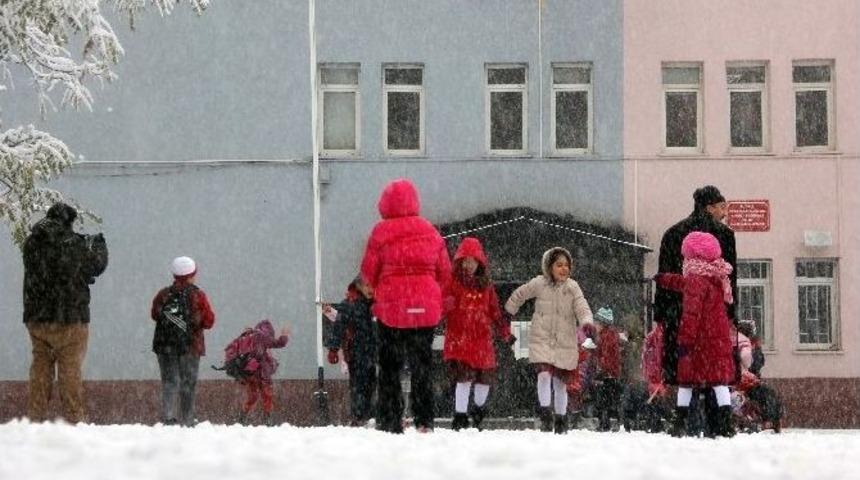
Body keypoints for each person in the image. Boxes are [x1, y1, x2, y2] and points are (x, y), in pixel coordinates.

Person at [360, 178, 451, 433]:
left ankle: (390, 419)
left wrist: (377, 288)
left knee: (390, 367)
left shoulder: (381, 231)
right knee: (423, 366)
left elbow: (368, 272)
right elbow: (445, 272)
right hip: (425, 310)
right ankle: (424, 420)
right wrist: (432, 295)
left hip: (392, 309)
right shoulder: (430, 230)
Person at [654, 185, 737, 435]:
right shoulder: (724, 235)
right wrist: (731, 315)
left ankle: (684, 422)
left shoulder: (673, 233)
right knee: (716, 375)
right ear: (710, 207)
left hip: (679, 316)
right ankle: (719, 424)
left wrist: (661, 315)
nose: (725, 212)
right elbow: (731, 281)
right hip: (716, 320)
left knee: (685, 374)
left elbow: (672, 280)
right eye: (722, 206)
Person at [22, 202, 108, 423]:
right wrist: (98, 245)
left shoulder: (32, 243)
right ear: (69, 222)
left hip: (37, 317)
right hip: (70, 316)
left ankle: (35, 417)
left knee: (41, 366)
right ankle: (74, 418)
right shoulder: (74, 244)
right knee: (70, 369)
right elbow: (95, 266)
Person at [505, 246, 594, 434]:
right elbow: (520, 294)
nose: (564, 269)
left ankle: (561, 420)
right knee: (544, 375)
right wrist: (508, 311)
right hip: (542, 338)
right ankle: (546, 415)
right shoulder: (539, 284)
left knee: (561, 383)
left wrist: (586, 322)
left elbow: (582, 306)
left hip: (565, 342)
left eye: (567, 265)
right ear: (549, 267)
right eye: (559, 265)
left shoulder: (572, 287)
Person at [442, 237, 513, 431]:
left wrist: (506, 333)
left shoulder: (486, 287)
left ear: (480, 263)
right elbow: (440, 307)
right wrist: (445, 306)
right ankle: (460, 417)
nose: (469, 264)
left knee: (484, 384)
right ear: (460, 262)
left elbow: (495, 312)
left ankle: (478, 411)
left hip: (482, 342)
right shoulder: (452, 283)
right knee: (463, 380)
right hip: (460, 340)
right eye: (465, 261)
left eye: (472, 261)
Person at [150, 256, 215, 426]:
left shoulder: (163, 294)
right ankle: (187, 419)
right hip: (190, 347)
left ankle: (168, 417)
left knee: (170, 381)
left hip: (165, 346)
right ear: (192, 274)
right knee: (188, 384)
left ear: (174, 274)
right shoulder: (198, 295)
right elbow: (209, 321)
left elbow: (155, 314)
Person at [324, 276, 378, 427]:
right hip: (356, 351)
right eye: (367, 286)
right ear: (359, 287)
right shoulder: (349, 304)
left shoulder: (373, 305)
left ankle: (366, 415)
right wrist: (333, 348)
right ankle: (359, 415)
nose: (371, 289)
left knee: (369, 383)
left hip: (371, 351)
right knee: (359, 384)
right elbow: (338, 327)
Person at [237, 319, 290, 426]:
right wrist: (284, 334)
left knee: (252, 396)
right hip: (261, 373)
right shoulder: (261, 336)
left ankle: (242, 418)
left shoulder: (248, 336)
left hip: (248, 373)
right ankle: (268, 421)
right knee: (267, 396)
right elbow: (280, 343)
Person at [593, 307, 622, 432]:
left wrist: (601, 368)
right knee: (609, 399)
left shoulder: (607, 336)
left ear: (602, 323)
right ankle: (608, 421)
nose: (595, 325)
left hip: (608, 374)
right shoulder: (606, 335)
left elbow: (607, 356)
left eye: (597, 322)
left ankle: (606, 422)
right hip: (609, 373)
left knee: (606, 399)